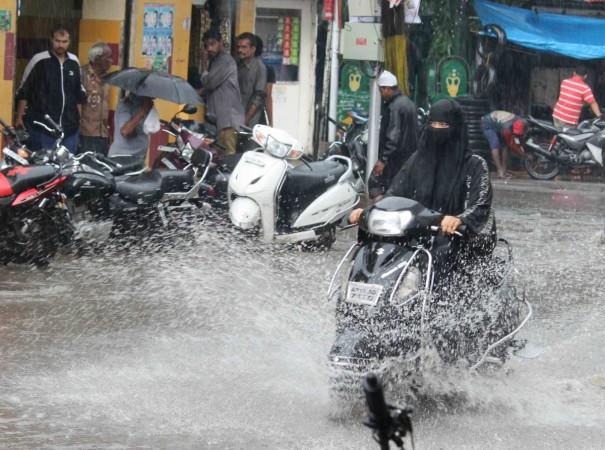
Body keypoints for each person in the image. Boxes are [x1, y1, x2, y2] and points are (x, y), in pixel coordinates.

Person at [350, 99, 496, 277]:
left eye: (442, 124)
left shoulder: (474, 165)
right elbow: (394, 194)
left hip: (455, 236)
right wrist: (369, 211)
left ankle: (439, 303)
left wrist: (459, 220)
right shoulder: (417, 161)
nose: (436, 129)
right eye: (432, 123)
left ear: (456, 128)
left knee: (442, 252)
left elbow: (481, 205)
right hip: (417, 231)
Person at [15, 25, 87, 153]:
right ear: (51, 40)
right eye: (57, 41)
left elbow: (78, 93)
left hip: (69, 128)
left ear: (69, 42)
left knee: (67, 167)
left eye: (64, 42)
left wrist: (79, 120)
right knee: (42, 167)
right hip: (42, 126)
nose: (61, 45)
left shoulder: (74, 62)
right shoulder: (39, 60)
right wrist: (19, 117)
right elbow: (24, 90)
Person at [370, 70, 418, 199]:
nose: (381, 94)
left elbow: (393, 136)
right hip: (409, 158)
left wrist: (383, 159)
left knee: (391, 193)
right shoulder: (409, 103)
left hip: (395, 159)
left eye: (381, 90)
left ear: (387, 89)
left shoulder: (394, 107)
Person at [200, 29, 245, 155]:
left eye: (212, 44)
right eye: (206, 46)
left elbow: (209, 83)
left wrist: (204, 65)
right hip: (220, 120)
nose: (209, 48)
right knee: (219, 157)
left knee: (228, 157)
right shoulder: (215, 62)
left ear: (220, 43)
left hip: (228, 120)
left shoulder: (225, 61)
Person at [79, 42, 113, 156]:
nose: (111, 61)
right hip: (86, 134)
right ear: (97, 59)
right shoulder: (82, 74)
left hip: (103, 134)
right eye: (108, 57)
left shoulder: (108, 78)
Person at [107, 94, 155, 165]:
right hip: (122, 158)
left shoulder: (142, 105)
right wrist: (143, 110)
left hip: (137, 158)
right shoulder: (126, 105)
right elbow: (125, 131)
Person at [480, 110, 526, 179]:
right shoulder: (507, 128)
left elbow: (517, 140)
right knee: (495, 144)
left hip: (498, 124)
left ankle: (504, 170)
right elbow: (511, 144)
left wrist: (522, 150)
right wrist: (523, 155)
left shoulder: (520, 121)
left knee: (505, 146)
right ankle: (499, 170)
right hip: (488, 123)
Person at [236, 32, 267, 127]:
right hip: (236, 116)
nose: (240, 50)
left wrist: (246, 119)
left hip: (250, 122)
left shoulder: (259, 68)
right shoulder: (236, 65)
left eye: (244, 47)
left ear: (253, 49)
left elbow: (259, 97)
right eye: (238, 47)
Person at [254, 35, 275, 126]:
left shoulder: (237, 67)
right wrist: (270, 123)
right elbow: (267, 97)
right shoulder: (268, 69)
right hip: (258, 117)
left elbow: (267, 97)